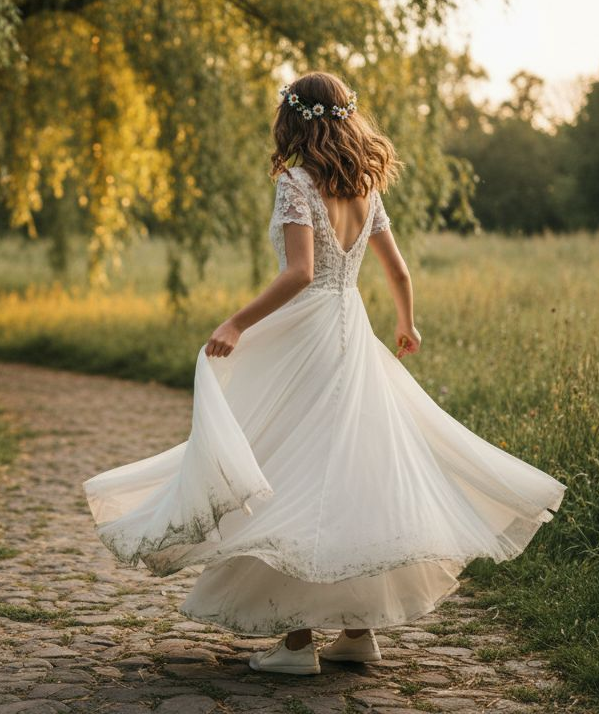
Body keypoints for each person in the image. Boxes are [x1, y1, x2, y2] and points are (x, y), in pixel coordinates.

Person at [82, 72, 566, 675]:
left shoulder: (294, 182)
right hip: (353, 333)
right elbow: (399, 271)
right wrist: (407, 325)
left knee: (291, 465)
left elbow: (300, 273)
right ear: (345, 118)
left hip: (307, 333)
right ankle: (358, 633)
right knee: (348, 470)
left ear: (293, 119)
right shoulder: (365, 187)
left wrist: (235, 322)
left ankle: (295, 645)